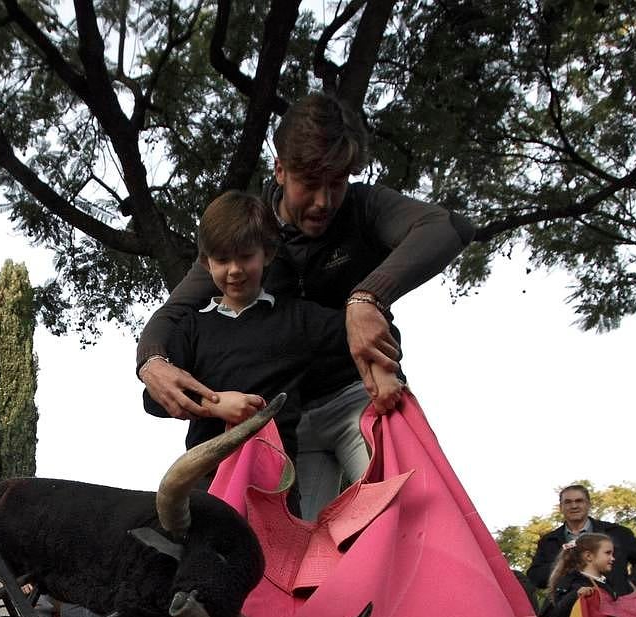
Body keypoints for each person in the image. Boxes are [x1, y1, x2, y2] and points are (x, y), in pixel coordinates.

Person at [136, 93, 473, 518]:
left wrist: (367, 297)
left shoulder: (363, 207)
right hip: (287, 423)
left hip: (361, 398)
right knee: (293, 556)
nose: (324, 201)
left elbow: (447, 226)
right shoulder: (248, 238)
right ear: (279, 170)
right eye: (309, 183)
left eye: (337, 183)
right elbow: (172, 314)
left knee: (416, 512)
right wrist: (152, 362)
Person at [142, 190, 399, 511]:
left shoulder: (298, 318)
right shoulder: (192, 327)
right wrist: (216, 404)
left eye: (245, 256)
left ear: (268, 254)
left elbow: (365, 335)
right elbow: (154, 400)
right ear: (206, 263)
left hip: (276, 496)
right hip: (208, 486)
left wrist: (387, 372)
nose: (234, 269)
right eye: (222, 259)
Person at [527, 484, 636, 598]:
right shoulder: (549, 541)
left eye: (579, 501)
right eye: (568, 502)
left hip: (616, 605)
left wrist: (633, 582)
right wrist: (564, 565)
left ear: (588, 504)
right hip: (571, 611)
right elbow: (535, 576)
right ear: (561, 507)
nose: (574, 506)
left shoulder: (617, 533)